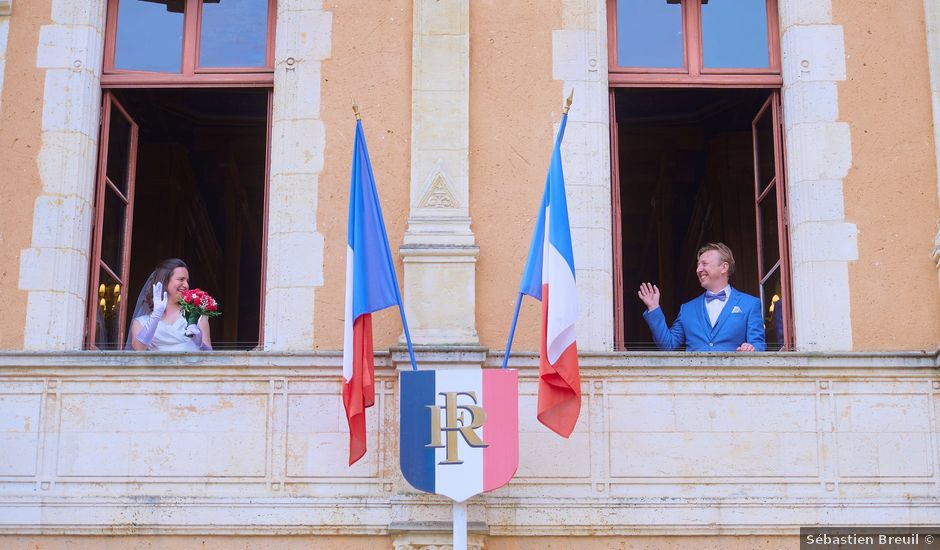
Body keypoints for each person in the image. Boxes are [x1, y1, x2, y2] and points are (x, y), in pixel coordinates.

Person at [638, 243, 765, 352]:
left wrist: (751, 349)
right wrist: (653, 308)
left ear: (724, 267)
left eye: (704, 264)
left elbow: (759, 345)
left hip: (734, 378)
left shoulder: (750, 304)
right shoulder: (687, 309)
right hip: (694, 379)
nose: (698, 269)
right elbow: (668, 346)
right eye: (698, 265)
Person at [127, 258, 212, 351]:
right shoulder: (140, 322)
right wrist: (156, 316)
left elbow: (210, 357)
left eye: (187, 281)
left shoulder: (196, 316)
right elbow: (139, 348)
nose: (186, 285)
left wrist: (200, 344)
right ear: (165, 281)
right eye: (181, 279)